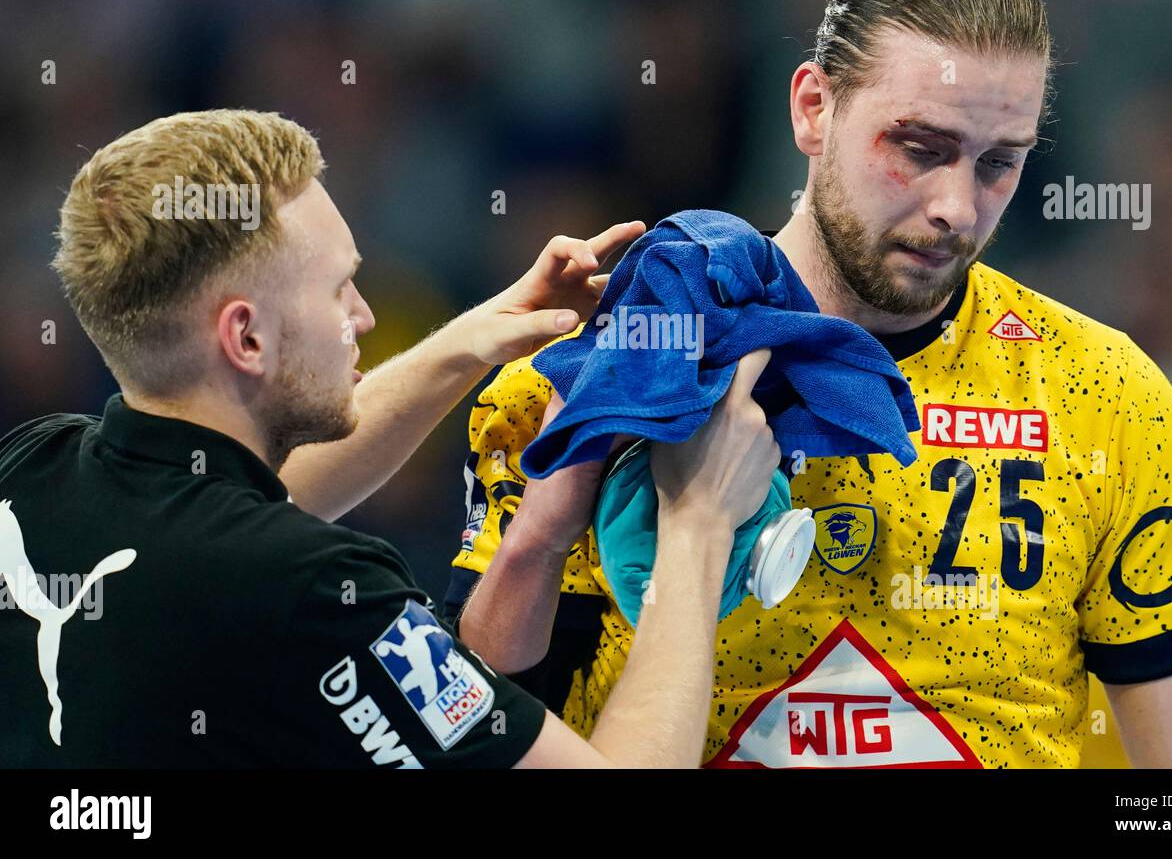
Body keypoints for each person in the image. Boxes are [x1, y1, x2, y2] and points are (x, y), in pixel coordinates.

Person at [444, 0, 1172, 768]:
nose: (956, 206)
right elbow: (467, 742)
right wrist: (537, 542)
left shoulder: (1107, 396)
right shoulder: (618, 371)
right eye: (919, 148)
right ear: (812, 108)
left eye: (998, 164)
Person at [0, 108, 780, 768]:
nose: (365, 317)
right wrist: (697, 526)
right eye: (338, 288)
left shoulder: (31, 473)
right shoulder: (317, 591)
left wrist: (469, 341)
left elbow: (243, 504)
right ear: (246, 338)